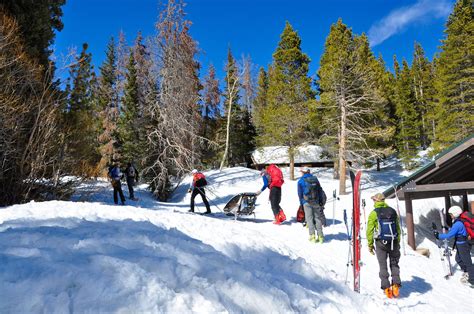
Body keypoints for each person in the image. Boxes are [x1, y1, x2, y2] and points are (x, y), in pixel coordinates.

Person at [366, 193, 401, 298]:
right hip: (393, 242)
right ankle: (396, 285)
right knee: (394, 264)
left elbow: (370, 230)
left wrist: (370, 244)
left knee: (383, 265)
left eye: (374, 200)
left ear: (376, 201)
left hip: (381, 243)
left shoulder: (374, 213)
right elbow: (398, 228)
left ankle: (386, 288)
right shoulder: (392, 211)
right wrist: (397, 241)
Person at [434, 205, 474, 288]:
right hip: (460, 244)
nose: (450, 215)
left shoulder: (458, 223)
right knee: (458, 259)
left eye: (451, 214)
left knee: (468, 262)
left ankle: (472, 280)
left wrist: (438, 236)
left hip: (463, 245)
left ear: (455, 213)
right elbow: (454, 230)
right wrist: (446, 228)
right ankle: (467, 272)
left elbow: (449, 235)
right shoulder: (458, 221)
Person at [297, 167, 325, 243]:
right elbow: (319, 190)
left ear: (303, 172)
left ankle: (312, 236)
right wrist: (319, 201)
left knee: (309, 219)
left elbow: (300, 194)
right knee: (317, 218)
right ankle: (321, 236)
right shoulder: (315, 179)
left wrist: (301, 203)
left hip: (306, 202)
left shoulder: (300, 181)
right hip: (315, 201)